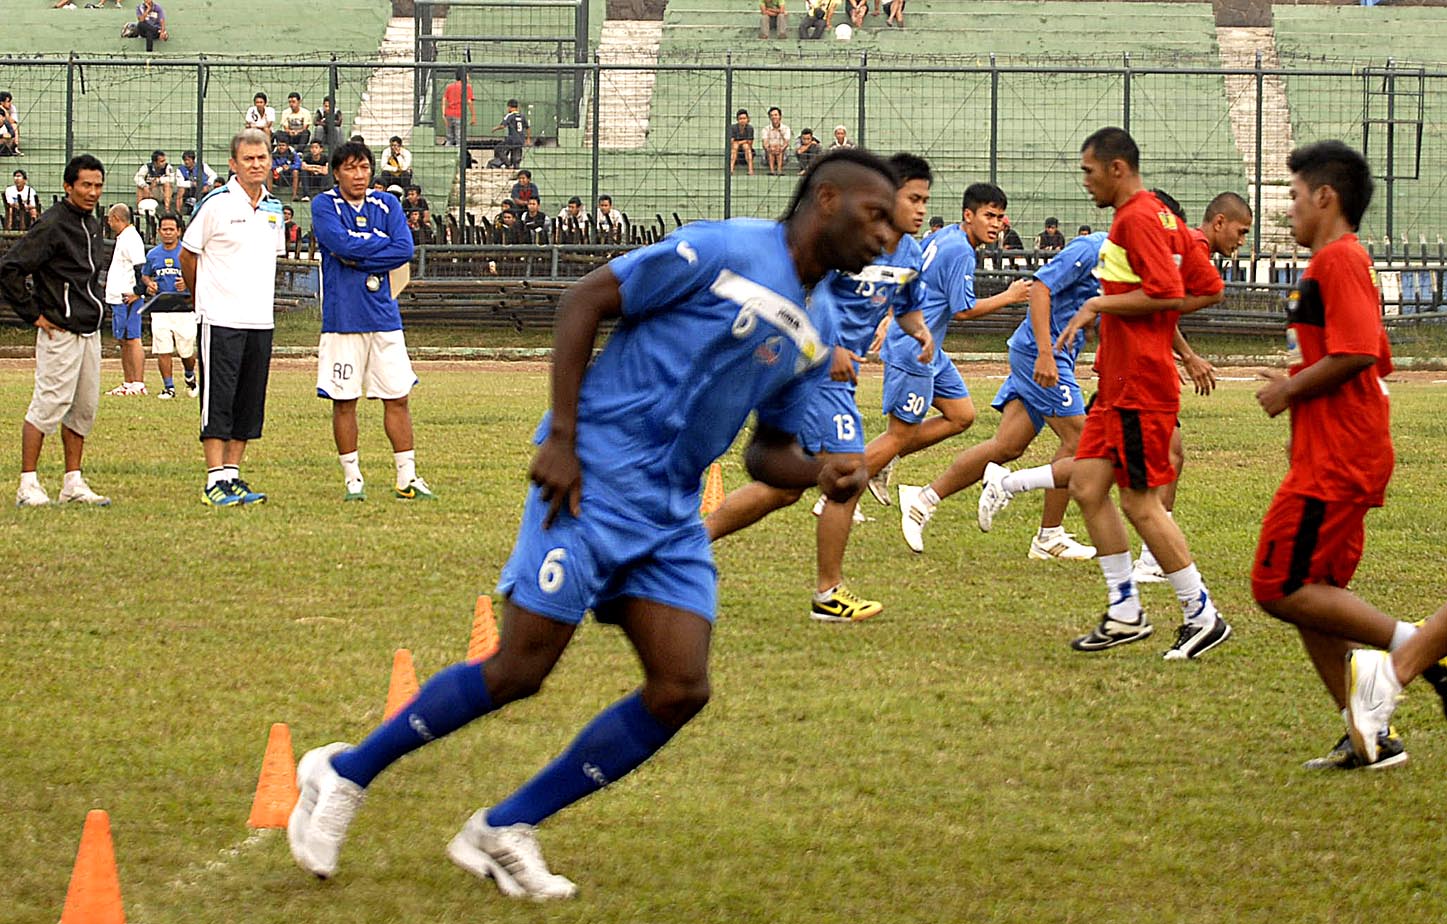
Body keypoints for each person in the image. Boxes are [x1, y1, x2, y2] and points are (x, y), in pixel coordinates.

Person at [285, 148, 899, 899]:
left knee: (681, 686)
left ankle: (504, 826)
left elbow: (765, 454)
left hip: (669, 513)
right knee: (519, 668)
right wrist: (564, 439)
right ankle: (343, 770)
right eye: (876, 215)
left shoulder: (823, 323)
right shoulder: (724, 248)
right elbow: (586, 299)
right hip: (592, 480)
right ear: (827, 199)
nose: (887, 235)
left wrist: (821, 472)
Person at [706, 152, 935, 623]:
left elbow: (906, 306)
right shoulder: (846, 242)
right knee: (850, 472)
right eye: (912, 199)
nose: (919, 210)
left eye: (924, 201)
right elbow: (800, 290)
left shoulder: (910, 255)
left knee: (783, 489)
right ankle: (829, 592)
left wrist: (920, 331)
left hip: (838, 380)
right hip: (813, 371)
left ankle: (684, 544)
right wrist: (827, 349)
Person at [1248, 140, 1417, 767]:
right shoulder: (1336, 263)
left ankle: (1422, 648)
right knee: (1316, 597)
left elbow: (1359, 355)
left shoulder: (1339, 262)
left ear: (1326, 197)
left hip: (1338, 459)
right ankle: (1368, 736)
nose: (1287, 208)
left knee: (1279, 584)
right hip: (1334, 452)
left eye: (1293, 195)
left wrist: (1290, 390)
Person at [1032, 127, 1229, 659]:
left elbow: (1167, 292)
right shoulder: (1161, 217)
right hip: (1118, 383)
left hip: (1141, 384)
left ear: (1117, 168)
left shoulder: (1138, 217)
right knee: (1089, 486)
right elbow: (1206, 286)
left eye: (1088, 170)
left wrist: (1101, 308)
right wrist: (1159, 324)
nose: (1085, 181)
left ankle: (1202, 613)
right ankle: (1125, 611)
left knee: (1141, 505)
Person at [896, 230, 1108, 561]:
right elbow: (1041, 288)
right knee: (1081, 440)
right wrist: (1044, 353)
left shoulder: (1131, 260)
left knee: (1007, 445)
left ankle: (922, 501)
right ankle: (1047, 535)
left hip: (1049, 352)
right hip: (1042, 354)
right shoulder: (1094, 247)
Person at [866, 183, 1029, 524]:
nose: (996, 223)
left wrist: (889, 317)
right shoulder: (960, 252)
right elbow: (964, 311)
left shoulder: (945, 237)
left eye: (1000, 217)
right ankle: (836, 493)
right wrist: (1010, 296)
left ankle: (885, 460)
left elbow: (911, 278)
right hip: (916, 348)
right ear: (968, 216)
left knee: (962, 415)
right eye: (988, 216)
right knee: (899, 434)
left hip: (929, 346)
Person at [1130, 191, 1253, 584]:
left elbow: (1164, 306)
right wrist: (1185, 354)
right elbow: (1162, 301)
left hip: (1146, 358)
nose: (1242, 240)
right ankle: (1151, 559)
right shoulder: (1193, 245)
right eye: (1241, 230)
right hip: (1139, 362)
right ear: (1219, 222)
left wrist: (1183, 353)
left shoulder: (1192, 247)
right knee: (1107, 465)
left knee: (1103, 463)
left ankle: (1152, 557)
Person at [309, 140, 430, 503]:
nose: (358, 175)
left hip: (384, 316)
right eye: (350, 168)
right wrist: (375, 248)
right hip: (343, 319)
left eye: (363, 168)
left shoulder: (388, 203)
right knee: (344, 400)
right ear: (336, 173)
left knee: (398, 396)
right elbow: (339, 245)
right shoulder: (323, 205)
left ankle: (406, 477)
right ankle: (353, 479)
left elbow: (403, 250)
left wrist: (358, 256)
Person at [180, 129, 286, 507]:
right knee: (218, 399)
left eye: (262, 158)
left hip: (260, 320)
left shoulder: (274, 207)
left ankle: (232, 476)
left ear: (270, 161)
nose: (256, 165)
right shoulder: (216, 205)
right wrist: (200, 299)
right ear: (233, 164)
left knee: (248, 400)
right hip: (220, 318)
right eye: (248, 159)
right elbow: (188, 255)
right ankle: (213, 480)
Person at [2, 154, 111, 508]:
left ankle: (72, 482)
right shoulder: (52, 225)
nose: (92, 192)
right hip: (59, 332)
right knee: (47, 405)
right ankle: (27, 484)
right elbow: (11, 268)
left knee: (83, 409)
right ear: (68, 186)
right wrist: (33, 314)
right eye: (85, 185)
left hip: (89, 332)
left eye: (97, 185)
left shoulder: (92, 224)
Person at [142, 212, 196, 399]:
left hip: (184, 308)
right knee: (163, 349)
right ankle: (169, 387)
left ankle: (189, 375)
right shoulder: (153, 254)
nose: (167, 233)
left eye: (171, 229)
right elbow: (145, 274)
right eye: (164, 229)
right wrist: (150, 284)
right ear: (159, 231)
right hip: (160, 307)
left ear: (178, 232)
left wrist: (188, 283)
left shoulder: (187, 254)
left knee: (186, 350)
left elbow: (201, 275)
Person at [102, 204, 148, 397]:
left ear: (116, 218)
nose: (109, 222)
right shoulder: (123, 238)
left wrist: (138, 291)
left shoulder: (131, 238)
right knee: (123, 339)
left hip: (127, 297)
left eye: (110, 219)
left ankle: (137, 382)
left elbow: (140, 266)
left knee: (132, 338)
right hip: (118, 297)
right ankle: (128, 382)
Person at [441, 70, 477, 149]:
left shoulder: (449, 86)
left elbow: (444, 99)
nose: (469, 77)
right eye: (467, 75)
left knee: (449, 138)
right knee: (459, 139)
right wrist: (473, 116)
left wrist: (443, 113)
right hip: (459, 114)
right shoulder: (467, 87)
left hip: (449, 114)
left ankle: (447, 155)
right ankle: (459, 158)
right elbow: (469, 102)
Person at [495, 99, 530, 169]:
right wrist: (528, 139)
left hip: (512, 139)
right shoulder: (522, 116)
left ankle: (507, 163)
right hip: (521, 139)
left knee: (498, 149)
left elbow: (503, 126)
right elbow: (527, 128)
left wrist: (495, 128)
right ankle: (516, 169)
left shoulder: (510, 115)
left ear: (509, 107)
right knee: (516, 157)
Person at [762, 107, 791, 176]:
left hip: (782, 154)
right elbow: (765, 143)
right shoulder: (765, 129)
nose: (774, 117)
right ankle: (772, 171)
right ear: (769, 117)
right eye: (771, 115)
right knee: (772, 146)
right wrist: (770, 148)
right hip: (768, 154)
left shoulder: (786, 128)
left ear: (780, 116)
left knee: (779, 146)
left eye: (776, 115)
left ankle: (779, 170)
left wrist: (780, 149)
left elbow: (786, 143)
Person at [728, 110, 754, 176]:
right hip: (734, 149)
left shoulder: (750, 128)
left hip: (746, 149)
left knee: (746, 146)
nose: (742, 120)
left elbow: (750, 142)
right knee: (735, 146)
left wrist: (739, 142)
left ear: (747, 119)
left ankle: (750, 169)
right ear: (737, 120)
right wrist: (744, 141)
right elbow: (731, 141)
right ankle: (731, 168)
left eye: (744, 118)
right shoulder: (733, 128)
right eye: (740, 119)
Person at [0, 92, 19, 157]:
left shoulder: (12, 108)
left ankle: (15, 147)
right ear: (2, 102)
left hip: (6, 129)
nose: (10, 103)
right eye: (8, 101)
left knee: (14, 125)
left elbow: (13, 121)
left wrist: (5, 111)